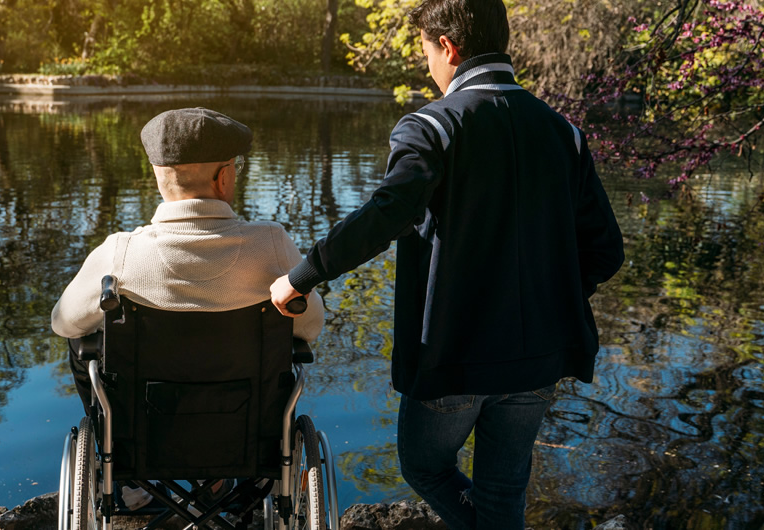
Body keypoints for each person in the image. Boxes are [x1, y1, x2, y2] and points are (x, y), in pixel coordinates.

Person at [268, 0, 625, 527]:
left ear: (449, 48)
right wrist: (552, 294)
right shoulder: (563, 132)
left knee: (424, 465)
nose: (427, 68)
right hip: (540, 356)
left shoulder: (431, 127)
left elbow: (386, 215)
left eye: (426, 53)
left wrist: (301, 276)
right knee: (504, 493)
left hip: (455, 352)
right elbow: (606, 252)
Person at [52, 108, 326, 507]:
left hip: (145, 437)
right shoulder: (272, 245)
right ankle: (218, 483)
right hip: (246, 438)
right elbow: (310, 328)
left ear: (159, 178)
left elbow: (63, 322)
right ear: (225, 177)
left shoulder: (121, 253)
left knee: (83, 344)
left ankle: (126, 483)